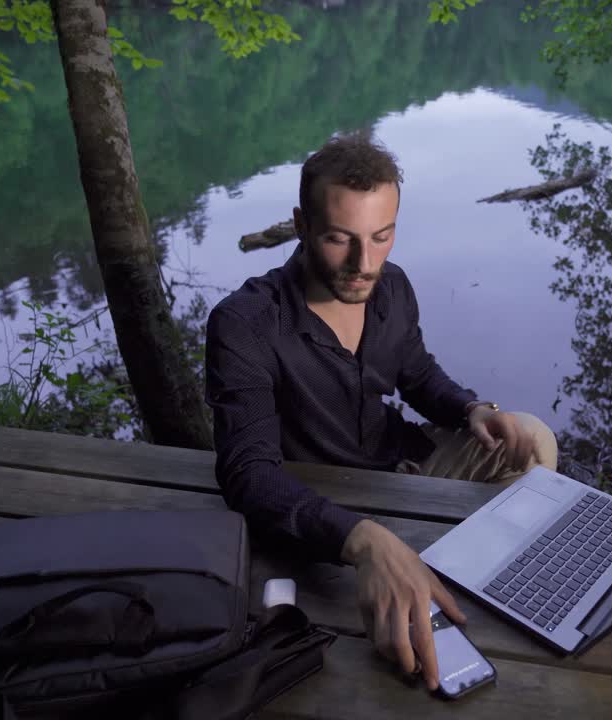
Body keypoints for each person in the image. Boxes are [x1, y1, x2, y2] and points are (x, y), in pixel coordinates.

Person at [204, 133, 558, 693]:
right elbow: (246, 474)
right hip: (329, 512)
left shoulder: (391, 287)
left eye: (381, 237)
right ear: (301, 224)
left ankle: (493, 583)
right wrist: (362, 540)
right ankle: (435, 585)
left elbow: (416, 372)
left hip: (400, 466)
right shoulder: (245, 324)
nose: (363, 264)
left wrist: (470, 408)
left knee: (531, 439)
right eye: (340, 239)